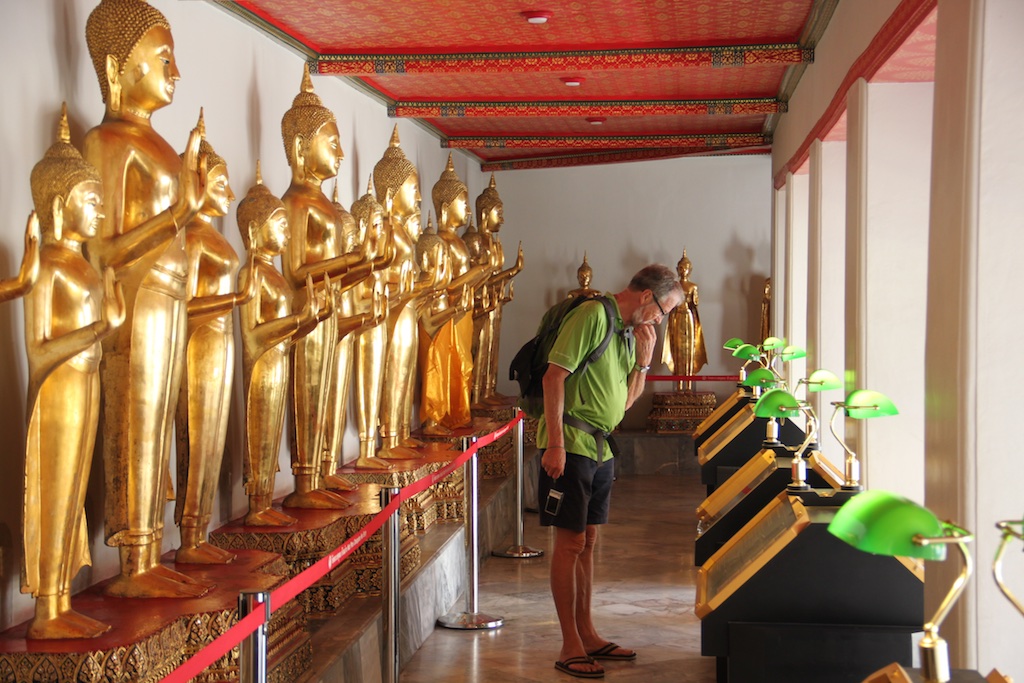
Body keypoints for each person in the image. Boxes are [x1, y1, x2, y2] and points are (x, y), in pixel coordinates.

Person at [537, 263, 683, 679]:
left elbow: (623, 405)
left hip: (600, 448)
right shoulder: (592, 316)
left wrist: (644, 362)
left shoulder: (625, 333)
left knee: (590, 541)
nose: (660, 319)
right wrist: (555, 444)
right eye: (662, 310)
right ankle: (569, 643)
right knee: (569, 543)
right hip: (572, 444)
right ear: (645, 296)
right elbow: (554, 377)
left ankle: (588, 632)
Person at [661, 249, 707, 391]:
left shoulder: (693, 286)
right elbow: (669, 304)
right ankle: (679, 386)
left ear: (690, 270)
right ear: (677, 269)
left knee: (689, 351)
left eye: (685, 268)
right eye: (681, 268)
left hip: (688, 317)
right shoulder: (673, 286)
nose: (683, 270)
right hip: (676, 318)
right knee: (677, 350)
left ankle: (688, 385)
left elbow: (695, 303)